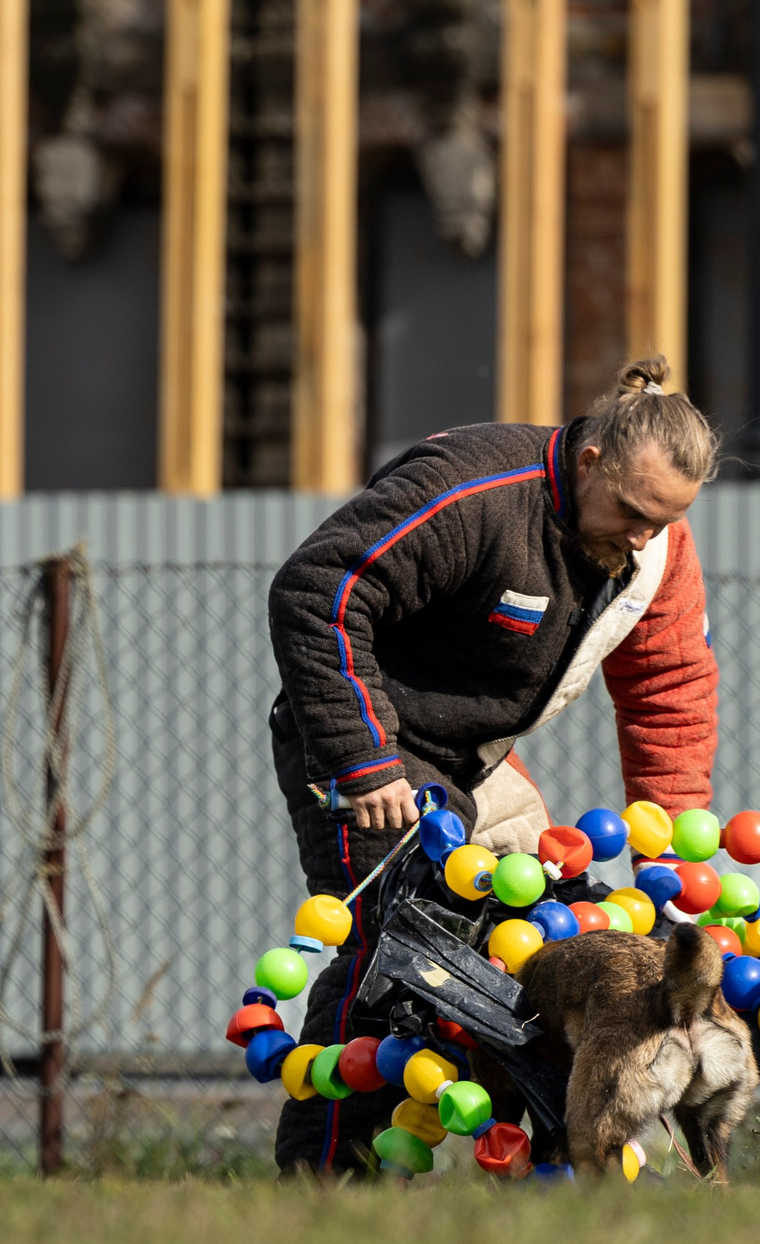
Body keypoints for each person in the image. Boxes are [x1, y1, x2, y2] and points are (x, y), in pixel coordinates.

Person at [263, 355, 721, 1173]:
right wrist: (365, 760)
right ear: (589, 461)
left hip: (474, 766)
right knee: (399, 950)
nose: (644, 537)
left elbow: (668, 692)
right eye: (630, 510)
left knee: (557, 945)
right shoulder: (475, 488)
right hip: (366, 737)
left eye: (665, 520)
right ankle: (327, 1179)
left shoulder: (654, 549)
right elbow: (320, 589)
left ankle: (552, 1174)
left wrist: (668, 865)